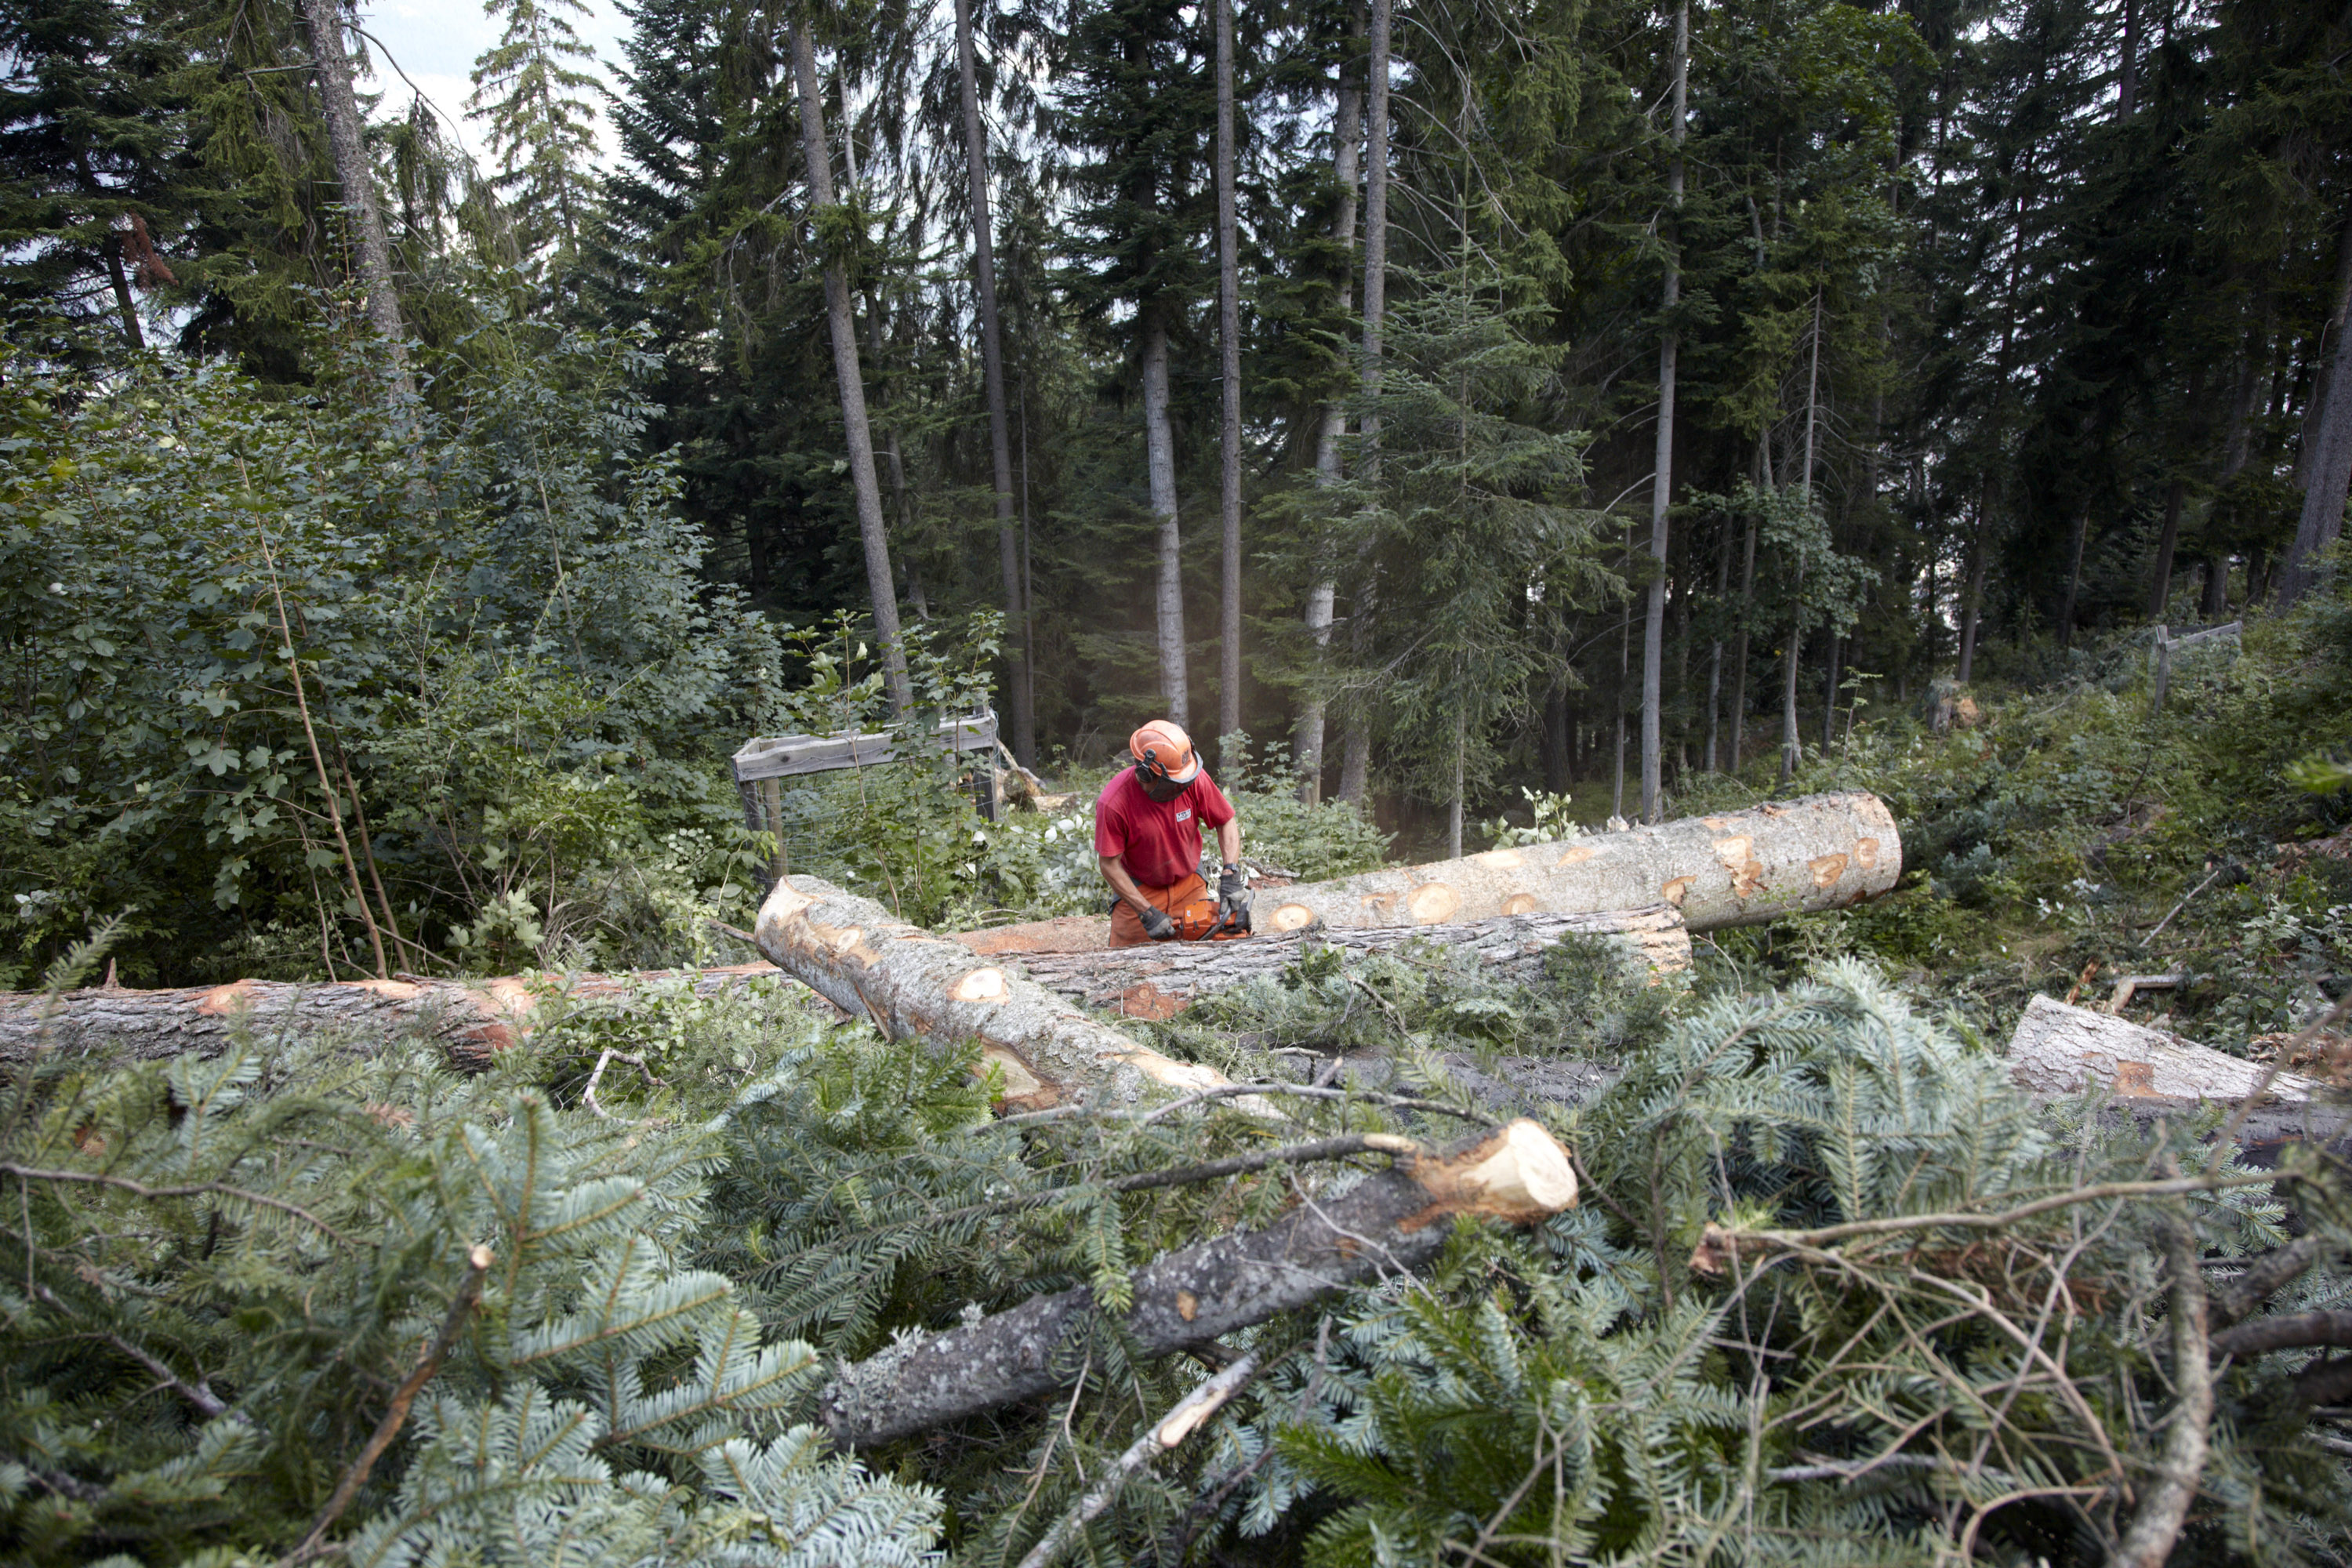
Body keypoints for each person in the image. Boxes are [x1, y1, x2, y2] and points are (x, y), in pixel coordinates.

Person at [1094, 720, 1253, 947]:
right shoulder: (1114, 803)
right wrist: (1146, 912)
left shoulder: (1190, 778)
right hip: (1138, 889)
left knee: (1207, 951)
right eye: (1174, 782)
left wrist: (1231, 872)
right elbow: (1109, 864)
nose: (1183, 786)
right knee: (1124, 965)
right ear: (1146, 774)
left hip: (1188, 883)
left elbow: (1225, 821)